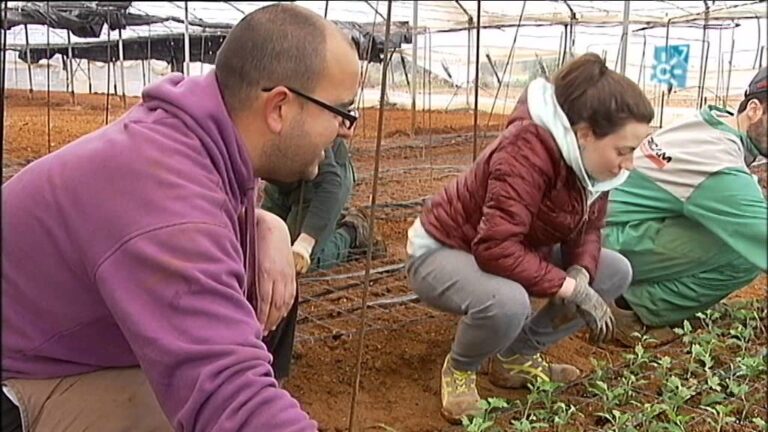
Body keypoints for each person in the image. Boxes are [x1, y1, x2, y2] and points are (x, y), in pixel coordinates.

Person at [1, 4, 360, 431]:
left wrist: (268, 223)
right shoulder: (167, 203)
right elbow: (230, 402)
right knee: (176, 417)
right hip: (14, 385)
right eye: (341, 111)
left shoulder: (195, 143)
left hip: (51, 352)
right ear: (279, 107)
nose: (345, 129)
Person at [405, 53, 654, 423]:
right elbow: (495, 247)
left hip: (510, 247)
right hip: (444, 250)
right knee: (508, 301)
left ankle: (514, 357)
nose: (629, 163)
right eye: (623, 151)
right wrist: (571, 289)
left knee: (612, 271)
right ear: (584, 134)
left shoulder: (592, 165)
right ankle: (460, 368)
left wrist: (582, 272)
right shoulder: (526, 149)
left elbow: (587, 228)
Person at [603, 67, 768, 347]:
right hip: (605, 249)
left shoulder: (708, 124)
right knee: (743, 253)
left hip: (604, 231)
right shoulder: (718, 163)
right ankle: (631, 307)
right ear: (754, 110)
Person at [260, 119, 385, 381]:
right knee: (262, 254)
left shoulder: (303, 125)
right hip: (282, 184)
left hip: (324, 185)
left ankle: (352, 233)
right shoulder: (251, 122)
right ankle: (325, 225)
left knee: (294, 263)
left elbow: (331, 183)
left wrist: (305, 244)